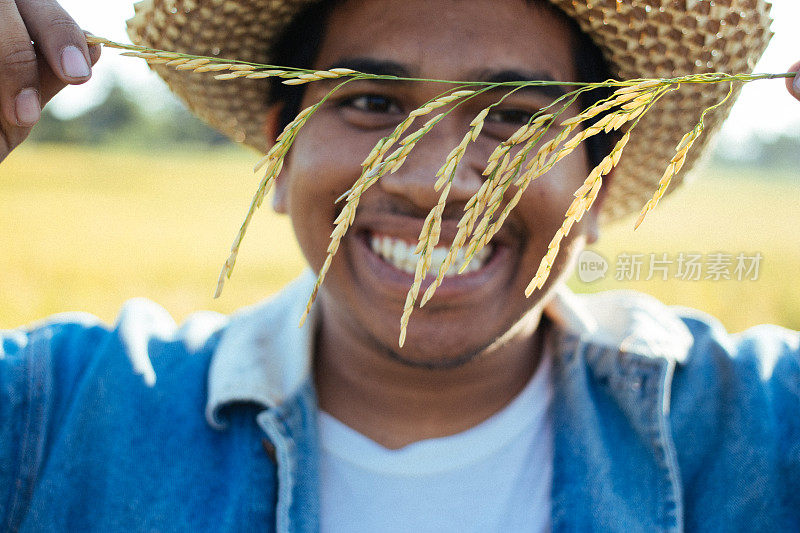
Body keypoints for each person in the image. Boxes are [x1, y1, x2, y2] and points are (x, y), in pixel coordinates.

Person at [1, 0, 799, 531]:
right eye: (373, 104)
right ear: (280, 155)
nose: (431, 180)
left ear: (600, 184)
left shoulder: (762, 428)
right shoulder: (57, 415)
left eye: (513, 119)